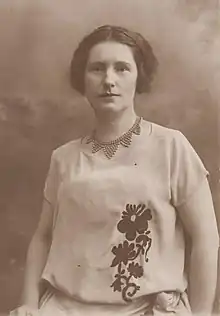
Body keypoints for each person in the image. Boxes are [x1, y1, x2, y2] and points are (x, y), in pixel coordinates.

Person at [10, 25, 219, 316]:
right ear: (82, 79)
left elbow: (206, 236)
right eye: (97, 69)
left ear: (138, 77)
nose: (108, 80)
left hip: (149, 309)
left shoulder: (172, 147)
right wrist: (29, 304)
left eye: (122, 68)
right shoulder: (64, 159)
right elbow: (43, 237)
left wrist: (202, 313)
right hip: (64, 308)